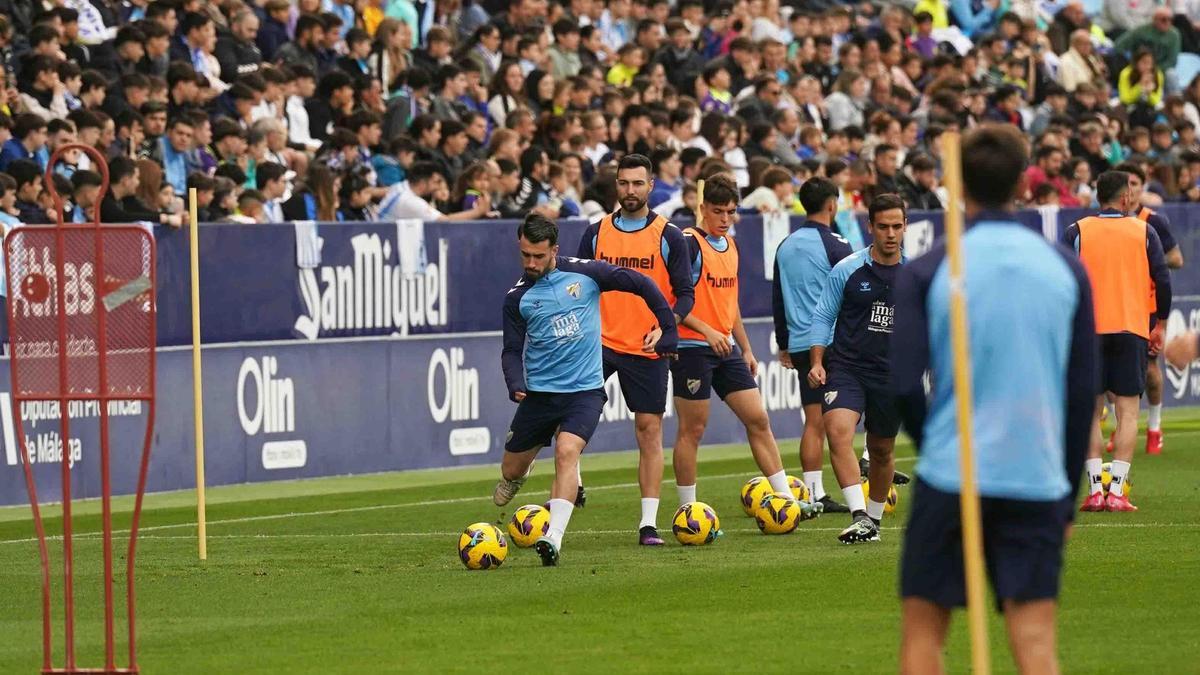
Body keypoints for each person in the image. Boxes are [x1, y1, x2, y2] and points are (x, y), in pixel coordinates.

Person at [892, 123, 1097, 675]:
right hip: (1035, 479)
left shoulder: (926, 269)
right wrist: (1068, 493)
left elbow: (903, 382)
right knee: (1034, 644)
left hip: (951, 476)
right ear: (1023, 184)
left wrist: (935, 444)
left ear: (959, 189)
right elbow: (1082, 395)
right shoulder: (1066, 269)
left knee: (923, 639)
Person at [494, 213, 678, 567]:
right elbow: (511, 350)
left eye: (538, 256)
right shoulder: (517, 298)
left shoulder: (586, 273)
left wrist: (667, 327)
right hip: (540, 396)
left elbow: (640, 282)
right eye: (525, 255)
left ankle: (553, 538)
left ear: (555, 250)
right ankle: (522, 473)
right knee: (511, 471)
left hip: (584, 392)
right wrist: (514, 382)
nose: (531, 263)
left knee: (567, 452)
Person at [670, 173, 813, 516]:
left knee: (758, 418)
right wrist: (707, 332)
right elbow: (671, 303)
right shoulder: (688, 244)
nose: (724, 219)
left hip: (725, 348)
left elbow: (730, 304)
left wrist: (745, 348)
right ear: (702, 208)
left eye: (731, 212)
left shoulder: (730, 246)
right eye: (718, 211)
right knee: (693, 429)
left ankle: (787, 500)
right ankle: (687, 508)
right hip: (692, 347)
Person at [574, 153, 695, 545]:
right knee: (570, 416)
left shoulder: (669, 235)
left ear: (651, 185)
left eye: (637, 184)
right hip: (600, 342)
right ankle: (571, 480)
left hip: (645, 346)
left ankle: (647, 523)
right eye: (624, 183)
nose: (630, 191)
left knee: (648, 430)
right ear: (616, 186)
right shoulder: (595, 234)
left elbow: (685, 294)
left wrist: (666, 326)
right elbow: (577, 286)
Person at [1061, 170, 1172, 513]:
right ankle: (1118, 493)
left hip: (1088, 332)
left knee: (1090, 413)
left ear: (1098, 197)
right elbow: (1163, 279)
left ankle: (1095, 491)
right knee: (1126, 412)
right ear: (1126, 198)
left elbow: (1059, 278)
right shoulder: (1144, 231)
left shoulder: (1077, 231)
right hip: (1130, 329)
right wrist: (1161, 324)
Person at [807, 193, 908, 544]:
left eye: (897, 226)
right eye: (883, 226)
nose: (891, 233)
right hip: (847, 367)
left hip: (891, 375)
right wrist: (817, 361)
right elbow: (823, 316)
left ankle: (874, 523)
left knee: (881, 450)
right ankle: (859, 514)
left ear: (905, 227)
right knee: (837, 430)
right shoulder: (847, 269)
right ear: (871, 228)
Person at [772, 176, 852, 513]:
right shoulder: (837, 244)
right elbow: (851, 293)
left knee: (813, 420)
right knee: (841, 418)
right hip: (833, 340)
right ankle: (850, 483)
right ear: (832, 204)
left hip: (802, 344)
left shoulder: (785, 244)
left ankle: (814, 492)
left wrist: (784, 343)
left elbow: (777, 297)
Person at [1108, 163, 1184, 456]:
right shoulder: (1107, 223)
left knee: (1150, 370)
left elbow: (1176, 259)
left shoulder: (1153, 221)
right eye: (1126, 183)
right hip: (1119, 302)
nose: (1131, 189)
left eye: (1135, 183)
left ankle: (1154, 427)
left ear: (1142, 187)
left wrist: (1151, 261)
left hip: (1148, 304)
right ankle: (1121, 426)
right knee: (1115, 372)